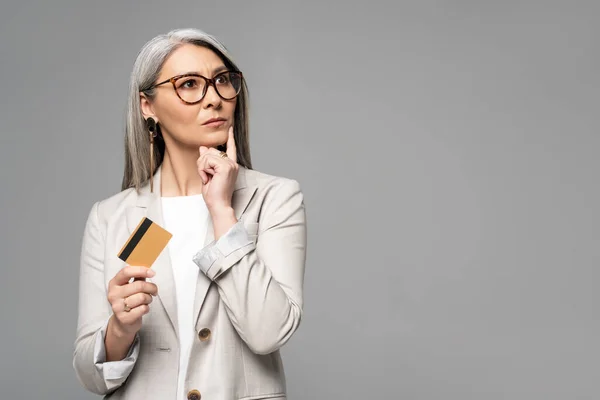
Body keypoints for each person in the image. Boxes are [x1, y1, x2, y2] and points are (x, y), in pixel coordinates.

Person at [73, 28, 307, 400]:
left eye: (222, 81)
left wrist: (221, 210)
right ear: (147, 106)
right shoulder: (110, 217)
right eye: (189, 84)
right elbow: (91, 376)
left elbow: (269, 332)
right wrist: (120, 328)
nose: (213, 98)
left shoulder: (274, 197)